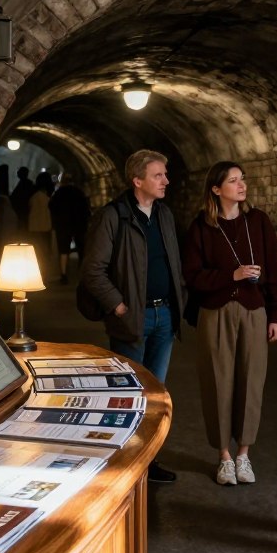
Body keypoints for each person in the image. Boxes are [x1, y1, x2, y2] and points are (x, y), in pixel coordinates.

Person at [80, 149, 186, 483]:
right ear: (137, 180)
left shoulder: (165, 215)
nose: (166, 180)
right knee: (129, 396)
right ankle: (125, 464)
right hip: (132, 320)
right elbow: (93, 270)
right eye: (158, 175)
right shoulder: (113, 216)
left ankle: (148, 463)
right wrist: (119, 306)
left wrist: (177, 297)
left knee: (156, 397)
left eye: (165, 174)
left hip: (164, 315)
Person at [182, 161, 277, 487]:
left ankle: (244, 454)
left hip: (254, 311)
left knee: (251, 382)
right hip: (215, 312)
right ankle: (224, 457)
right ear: (216, 189)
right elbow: (192, 275)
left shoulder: (258, 222)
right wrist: (232, 275)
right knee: (217, 382)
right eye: (233, 180)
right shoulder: (202, 227)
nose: (242, 185)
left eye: (242, 179)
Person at [49, 172, 91, 284]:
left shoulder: (58, 193)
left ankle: (64, 274)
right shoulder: (79, 192)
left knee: (63, 250)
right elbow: (86, 209)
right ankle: (82, 274)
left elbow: (52, 207)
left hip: (63, 225)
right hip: (79, 224)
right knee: (81, 249)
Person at [27, 171, 54, 276]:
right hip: (45, 228)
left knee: (36, 251)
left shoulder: (33, 197)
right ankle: (44, 272)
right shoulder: (47, 198)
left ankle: (37, 272)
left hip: (33, 228)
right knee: (45, 252)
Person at [9, 166, 35, 231]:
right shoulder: (27, 183)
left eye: (19, 172)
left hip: (23, 209)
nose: (17, 173)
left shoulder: (25, 183)